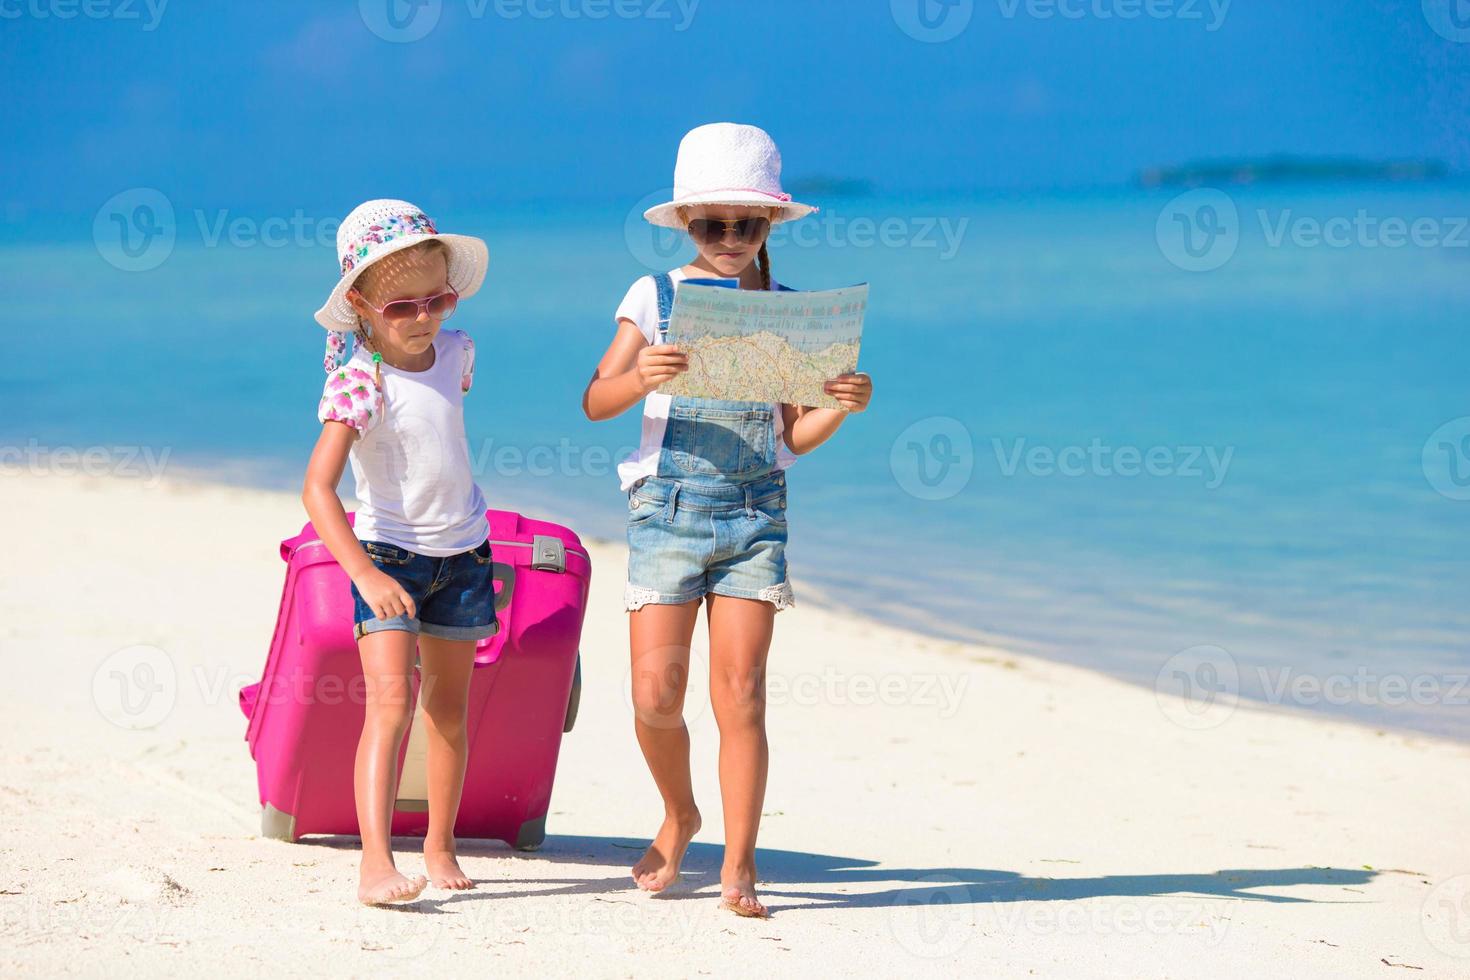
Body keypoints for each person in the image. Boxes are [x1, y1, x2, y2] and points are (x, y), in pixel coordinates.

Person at [583, 124, 874, 918]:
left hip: (754, 517)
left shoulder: (786, 312)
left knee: (741, 694)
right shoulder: (655, 297)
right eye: (713, 225)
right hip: (666, 513)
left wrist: (840, 408)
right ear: (687, 225)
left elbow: (792, 438)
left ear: (770, 226)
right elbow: (595, 400)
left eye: (748, 225)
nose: (731, 240)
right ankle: (681, 814)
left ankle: (738, 866)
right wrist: (642, 373)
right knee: (653, 697)